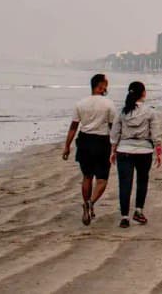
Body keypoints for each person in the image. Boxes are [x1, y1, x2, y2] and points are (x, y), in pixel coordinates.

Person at [62, 73, 117, 226]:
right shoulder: (109, 104)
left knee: (87, 176)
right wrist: (115, 147)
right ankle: (91, 202)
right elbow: (113, 128)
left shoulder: (81, 103)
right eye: (105, 85)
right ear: (100, 86)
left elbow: (73, 127)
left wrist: (67, 146)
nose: (107, 88)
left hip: (85, 141)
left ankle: (86, 202)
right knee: (102, 179)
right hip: (101, 141)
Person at [109, 81, 162, 228]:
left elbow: (114, 134)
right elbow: (155, 135)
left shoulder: (122, 112)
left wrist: (113, 151)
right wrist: (158, 152)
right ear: (143, 93)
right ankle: (138, 211)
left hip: (124, 150)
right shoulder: (150, 112)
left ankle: (124, 217)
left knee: (125, 184)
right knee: (142, 181)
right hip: (144, 150)